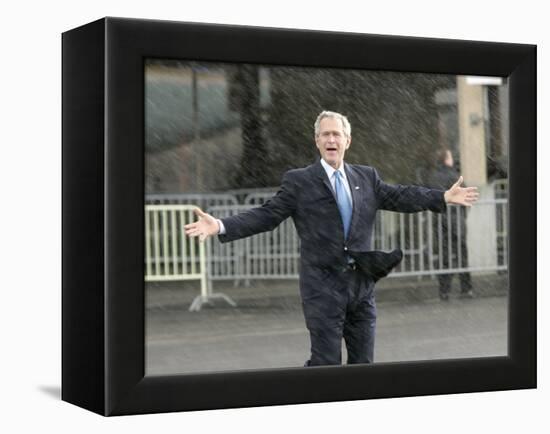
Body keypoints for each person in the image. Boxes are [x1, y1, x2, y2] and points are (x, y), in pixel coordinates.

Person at [185, 111, 479, 366]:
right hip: (322, 288)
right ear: (317, 141)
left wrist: (441, 196)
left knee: (363, 364)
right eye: (325, 135)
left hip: (360, 287)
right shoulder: (299, 181)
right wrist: (221, 225)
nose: (331, 140)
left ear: (347, 141)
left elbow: (401, 195)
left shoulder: (366, 177)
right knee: (326, 365)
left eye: (336, 134)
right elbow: (267, 214)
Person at [425, 148, 474, 301]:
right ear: (446, 159)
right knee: (461, 254)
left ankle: (444, 290)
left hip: (440, 220)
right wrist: (462, 216)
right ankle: (466, 288)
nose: (453, 159)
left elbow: (429, 196)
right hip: (456, 220)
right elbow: (467, 197)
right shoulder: (454, 176)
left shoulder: (433, 177)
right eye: (451, 156)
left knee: (443, 255)